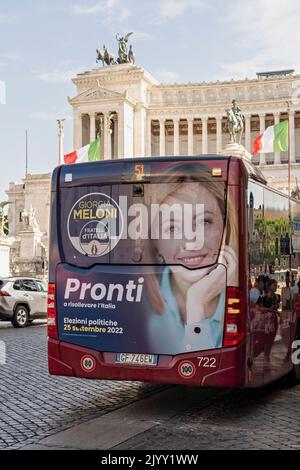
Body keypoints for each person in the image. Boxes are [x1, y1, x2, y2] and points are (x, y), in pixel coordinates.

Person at [143, 164, 238, 355]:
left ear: (225, 229)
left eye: (204, 222)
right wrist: (197, 307)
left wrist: (196, 303)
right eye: (172, 228)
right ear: (155, 242)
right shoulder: (139, 305)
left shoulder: (240, 300)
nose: (190, 241)